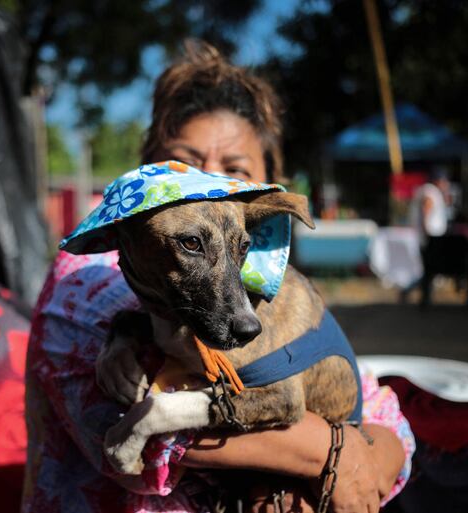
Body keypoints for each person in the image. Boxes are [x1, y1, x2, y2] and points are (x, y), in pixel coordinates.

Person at [23, 41, 414, 513]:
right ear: (147, 169)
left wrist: (364, 461)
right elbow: (140, 450)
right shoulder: (82, 280)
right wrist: (336, 451)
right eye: (184, 167)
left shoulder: (263, 288)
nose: (207, 190)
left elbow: (390, 424)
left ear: (266, 185)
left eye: (235, 172)